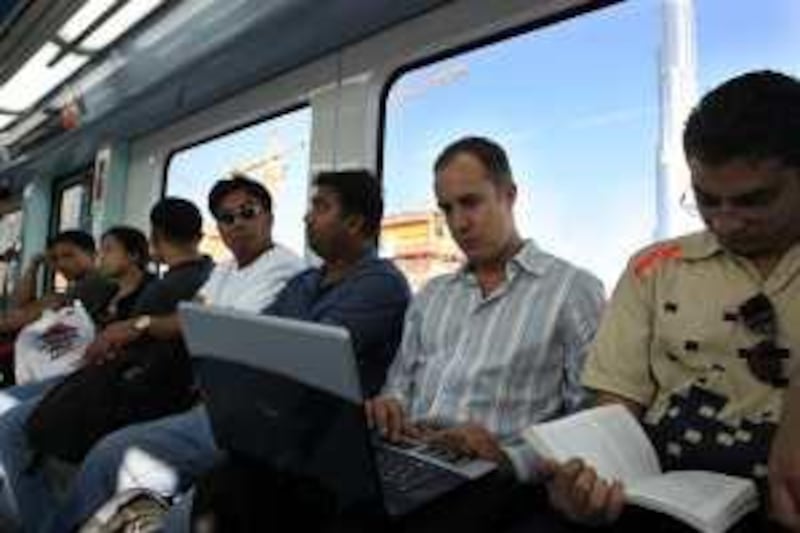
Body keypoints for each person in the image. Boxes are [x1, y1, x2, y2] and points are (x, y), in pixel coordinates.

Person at [40, 169, 410, 533]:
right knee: (110, 455)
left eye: (321, 207)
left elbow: (301, 354)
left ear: (356, 222)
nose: (307, 216)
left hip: (302, 435)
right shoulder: (306, 281)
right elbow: (252, 337)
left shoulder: (378, 282)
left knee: (170, 499)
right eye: (226, 218)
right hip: (247, 412)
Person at [543, 71, 800, 530]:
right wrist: (590, 481)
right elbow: (615, 409)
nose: (726, 222)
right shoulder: (654, 269)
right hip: (661, 507)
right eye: (705, 199)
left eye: (753, 201)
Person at [0, 175, 306, 532]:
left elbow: (209, 326)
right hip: (193, 393)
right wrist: (158, 324)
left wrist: (139, 325)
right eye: (226, 217)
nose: (237, 223)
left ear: (268, 216)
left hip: (232, 409)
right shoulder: (222, 270)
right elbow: (192, 316)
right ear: (217, 228)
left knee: (90, 449)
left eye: (248, 212)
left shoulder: (285, 268)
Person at [0, 230, 117, 335]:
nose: (61, 264)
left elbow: (17, 316)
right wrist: (34, 264)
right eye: (55, 259)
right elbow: (20, 307)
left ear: (92, 254)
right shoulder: (76, 286)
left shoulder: (95, 284)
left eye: (68, 256)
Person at [95, 226, 155, 326]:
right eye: (100, 251)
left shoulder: (153, 290)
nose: (102, 257)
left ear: (133, 255)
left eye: (108, 250)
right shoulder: (107, 291)